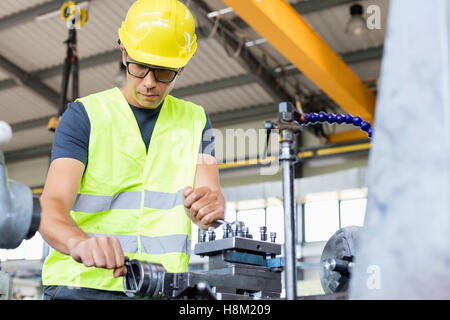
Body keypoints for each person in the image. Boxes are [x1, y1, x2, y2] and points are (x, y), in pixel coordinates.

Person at [39, 0, 225, 300]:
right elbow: (51, 208)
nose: (150, 83)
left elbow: (210, 197)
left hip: (161, 288)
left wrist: (210, 208)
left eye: (163, 71)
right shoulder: (84, 116)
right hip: (83, 286)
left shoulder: (196, 120)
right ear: (124, 53)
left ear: (181, 66)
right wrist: (79, 243)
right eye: (140, 66)